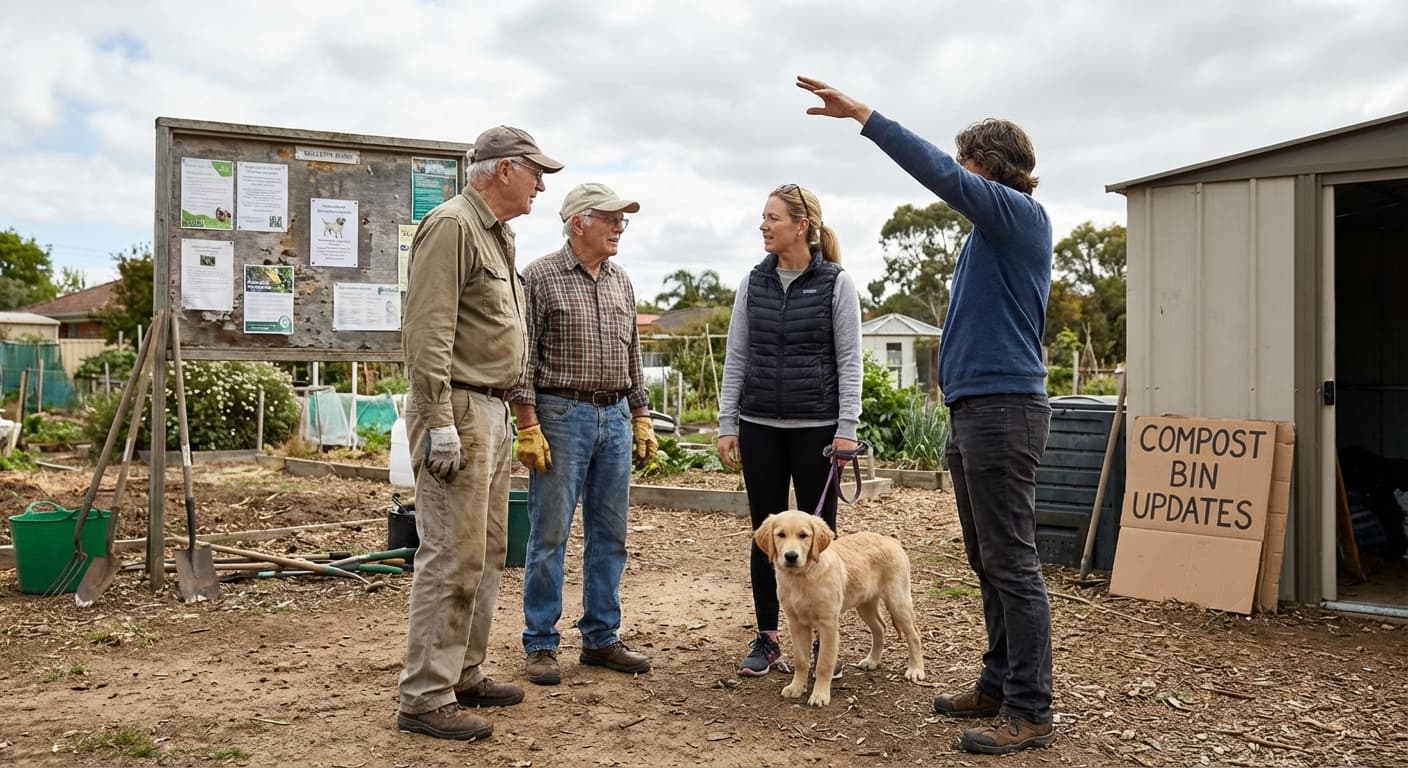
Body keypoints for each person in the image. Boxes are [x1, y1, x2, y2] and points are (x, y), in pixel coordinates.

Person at [797, 75, 1055, 755]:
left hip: (1004, 411)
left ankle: (1031, 708)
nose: (959, 173)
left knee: (1012, 562)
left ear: (987, 167)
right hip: (976, 410)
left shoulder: (1018, 215)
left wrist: (865, 115)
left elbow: (939, 173)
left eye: (966, 162)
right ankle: (999, 683)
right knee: (987, 559)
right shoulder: (990, 233)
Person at [396, 125, 563, 741]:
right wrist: (438, 420)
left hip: (489, 408)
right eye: (535, 173)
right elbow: (428, 330)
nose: (540, 185)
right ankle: (425, 695)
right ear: (504, 170)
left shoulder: (495, 234)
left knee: (486, 550)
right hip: (460, 409)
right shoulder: (453, 226)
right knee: (451, 553)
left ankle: (463, 672)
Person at [510, 182, 658, 686]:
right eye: (610, 219)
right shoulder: (539, 277)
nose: (619, 228)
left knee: (610, 534)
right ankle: (541, 642)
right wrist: (527, 422)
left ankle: (600, 637)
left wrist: (640, 414)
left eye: (622, 220)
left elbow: (633, 353)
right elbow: (524, 357)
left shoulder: (621, 281)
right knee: (550, 534)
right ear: (578, 223)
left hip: (614, 415)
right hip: (560, 415)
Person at [715, 183, 863, 680]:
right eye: (763, 217)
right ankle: (768, 638)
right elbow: (737, 356)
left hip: (818, 429)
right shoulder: (752, 283)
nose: (763, 225)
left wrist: (847, 428)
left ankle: (822, 645)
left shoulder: (836, 284)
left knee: (819, 538)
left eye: (772, 218)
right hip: (759, 426)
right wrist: (727, 422)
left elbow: (850, 361)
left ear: (801, 226)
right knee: (768, 535)